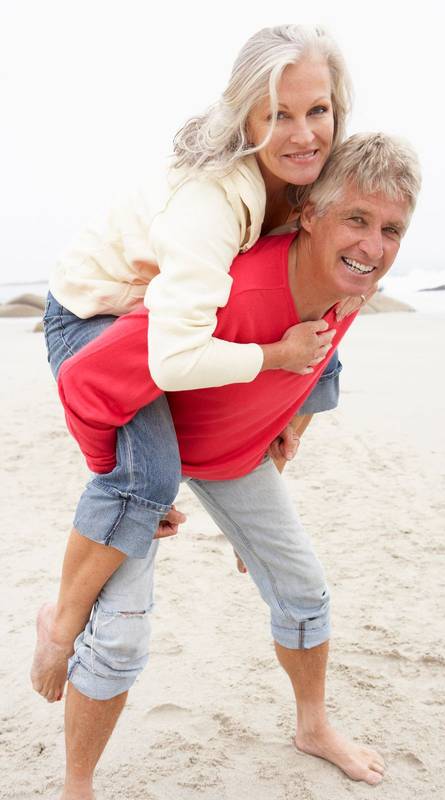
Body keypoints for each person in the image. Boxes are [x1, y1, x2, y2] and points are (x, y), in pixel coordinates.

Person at [47, 133, 421, 798]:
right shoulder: (232, 289)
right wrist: (130, 483)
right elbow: (87, 380)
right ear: (309, 214)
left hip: (232, 459)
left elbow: (321, 367)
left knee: (304, 592)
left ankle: (313, 727)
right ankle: (78, 782)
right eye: (357, 220)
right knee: (121, 638)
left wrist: (287, 432)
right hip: (147, 443)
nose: (373, 247)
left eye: (391, 229)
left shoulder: (351, 287)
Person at [31, 24, 369, 704]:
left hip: (176, 313)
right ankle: (60, 624)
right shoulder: (209, 203)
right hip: (100, 313)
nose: (305, 134)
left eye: (318, 110)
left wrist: (286, 413)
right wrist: (275, 355)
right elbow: (175, 359)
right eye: (278, 115)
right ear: (247, 118)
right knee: (148, 477)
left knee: (323, 354)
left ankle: (253, 509)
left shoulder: (313, 180)